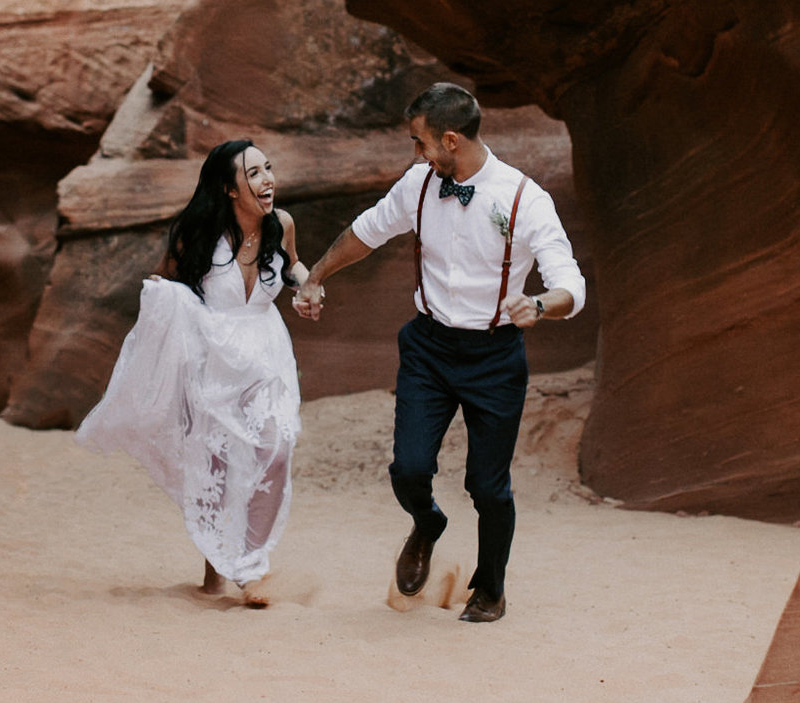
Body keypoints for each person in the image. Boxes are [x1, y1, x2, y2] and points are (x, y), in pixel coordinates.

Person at [292, 83, 584, 622]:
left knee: (487, 487)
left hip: (495, 356)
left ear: (450, 140)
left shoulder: (524, 199)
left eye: (420, 143)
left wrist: (543, 306)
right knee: (408, 468)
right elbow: (368, 231)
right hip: (428, 347)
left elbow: (571, 282)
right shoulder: (420, 184)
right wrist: (315, 276)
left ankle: (490, 588)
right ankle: (427, 522)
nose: (417, 153)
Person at [78, 140, 303, 607]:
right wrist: (161, 295)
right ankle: (216, 569)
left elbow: (294, 264)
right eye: (254, 174)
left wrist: (308, 284)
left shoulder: (281, 224)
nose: (268, 181)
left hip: (267, 355)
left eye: (268, 169)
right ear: (229, 189)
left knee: (275, 446)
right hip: (213, 361)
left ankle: (252, 568)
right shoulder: (197, 235)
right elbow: (165, 286)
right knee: (215, 465)